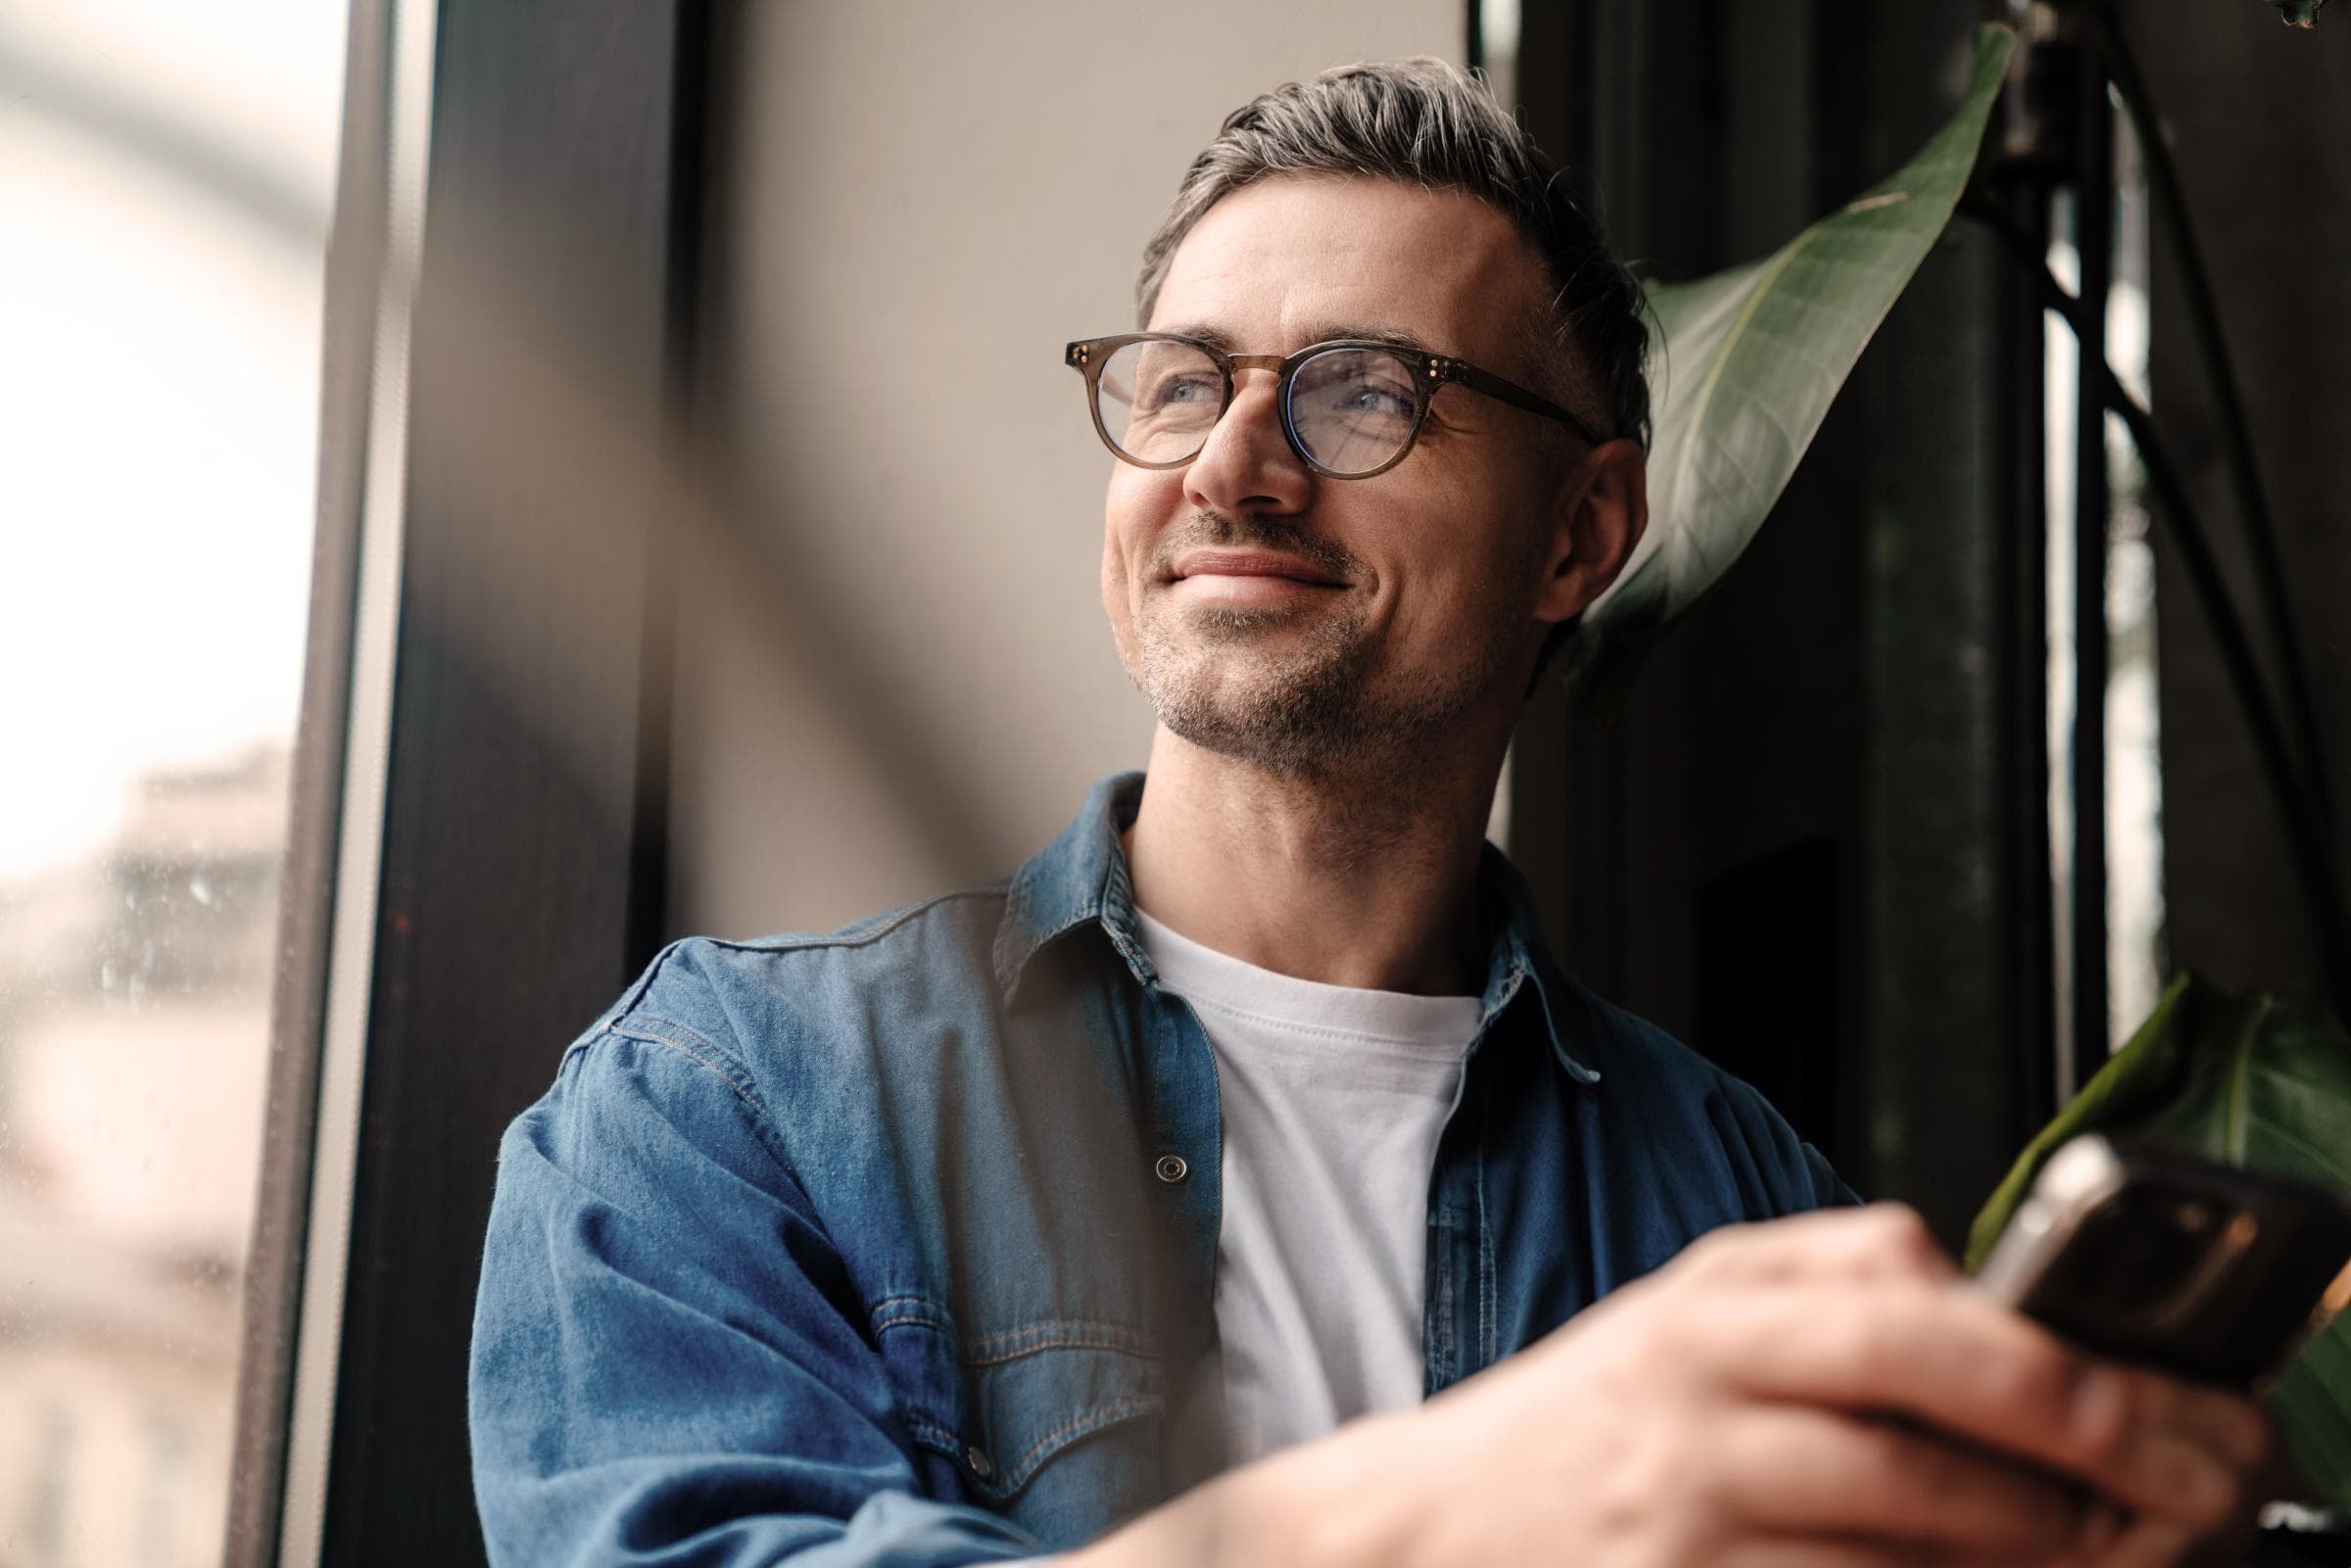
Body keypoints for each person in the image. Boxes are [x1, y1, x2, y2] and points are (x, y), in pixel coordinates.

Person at [468, 58, 2274, 1568]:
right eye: (1182, 382)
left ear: (1578, 534)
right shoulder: (724, 1094)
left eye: (1361, 394)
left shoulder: (1743, 1204)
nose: (1229, 465)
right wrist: (1474, 1504)